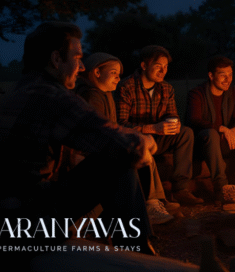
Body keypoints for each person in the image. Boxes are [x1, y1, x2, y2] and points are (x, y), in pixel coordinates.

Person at [0, 22, 157, 260]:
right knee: (117, 163)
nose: (81, 67)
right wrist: (146, 139)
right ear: (56, 59)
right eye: (77, 58)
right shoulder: (52, 96)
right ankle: (140, 258)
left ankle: (130, 248)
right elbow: (127, 147)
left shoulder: (16, 92)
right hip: (21, 222)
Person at [74, 52, 176, 224]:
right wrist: (135, 138)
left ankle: (153, 201)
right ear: (97, 72)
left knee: (143, 148)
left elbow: (112, 127)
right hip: (91, 154)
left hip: (103, 148)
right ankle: (148, 206)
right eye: (113, 73)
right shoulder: (92, 96)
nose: (118, 77)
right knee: (137, 153)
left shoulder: (105, 94)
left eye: (119, 74)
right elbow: (101, 131)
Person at [116, 45, 201, 205]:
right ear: (144, 65)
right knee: (143, 141)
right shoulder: (126, 87)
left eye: (166, 66)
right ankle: (154, 200)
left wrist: (174, 123)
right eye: (158, 66)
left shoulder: (166, 88)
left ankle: (181, 189)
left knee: (185, 133)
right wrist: (152, 128)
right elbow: (121, 124)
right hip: (136, 139)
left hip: (159, 138)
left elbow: (172, 114)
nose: (163, 71)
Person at [185, 56, 235, 204]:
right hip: (204, 144)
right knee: (211, 133)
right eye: (223, 75)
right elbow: (195, 120)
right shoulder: (197, 94)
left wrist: (232, 131)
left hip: (227, 142)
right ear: (211, 76)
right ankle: (221, 187)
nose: (227, 79)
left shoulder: (234, 93)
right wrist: (222, 129)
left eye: (230, 74)